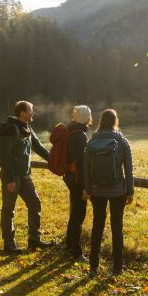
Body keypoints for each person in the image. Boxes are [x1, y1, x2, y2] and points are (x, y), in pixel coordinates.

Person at [83, 109, 134, 277]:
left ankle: (93, 267)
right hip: (118, 191)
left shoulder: (91, 142)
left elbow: (86, 169)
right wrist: (130, 191)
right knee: (116, 227)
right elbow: (128, 169)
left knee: (97, 226)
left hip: (97, 191)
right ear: (115, 121)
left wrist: (88, 189)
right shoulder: (122, 142)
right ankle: (117, 267)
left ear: (100, 121)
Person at [0, 101, 53, 255]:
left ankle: (34, 240)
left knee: (35, 203)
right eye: (30, 110)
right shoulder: (9, 129)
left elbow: (38, 147)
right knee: (9, 210)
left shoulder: (27, 128)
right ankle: (9, 245)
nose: (32, 113)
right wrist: (9, 179)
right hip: (12, 176)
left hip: (24, 175)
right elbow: (5, 156)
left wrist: (54, 162)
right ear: (22, 112)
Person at [63, 105, 92, 262]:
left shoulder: (71, 131)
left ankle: (69, 244)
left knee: (74, 212)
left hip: (69, 177)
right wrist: (85, 188)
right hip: (76, 180)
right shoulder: (80, 135)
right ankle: (76, 251)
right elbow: (81, 164)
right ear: (86, 117)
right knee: (78, 215)